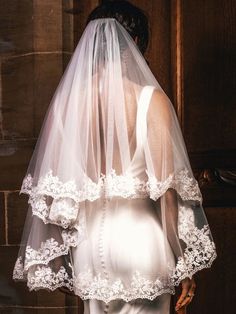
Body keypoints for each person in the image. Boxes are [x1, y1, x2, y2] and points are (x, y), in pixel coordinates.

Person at [13, 1, 217, 313]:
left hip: (90, 249)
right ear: (134, 43)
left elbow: (54, 190)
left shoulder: (67, 105)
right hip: (140, 240)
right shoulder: (152, 100)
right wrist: (184, 263)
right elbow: (166, 192)